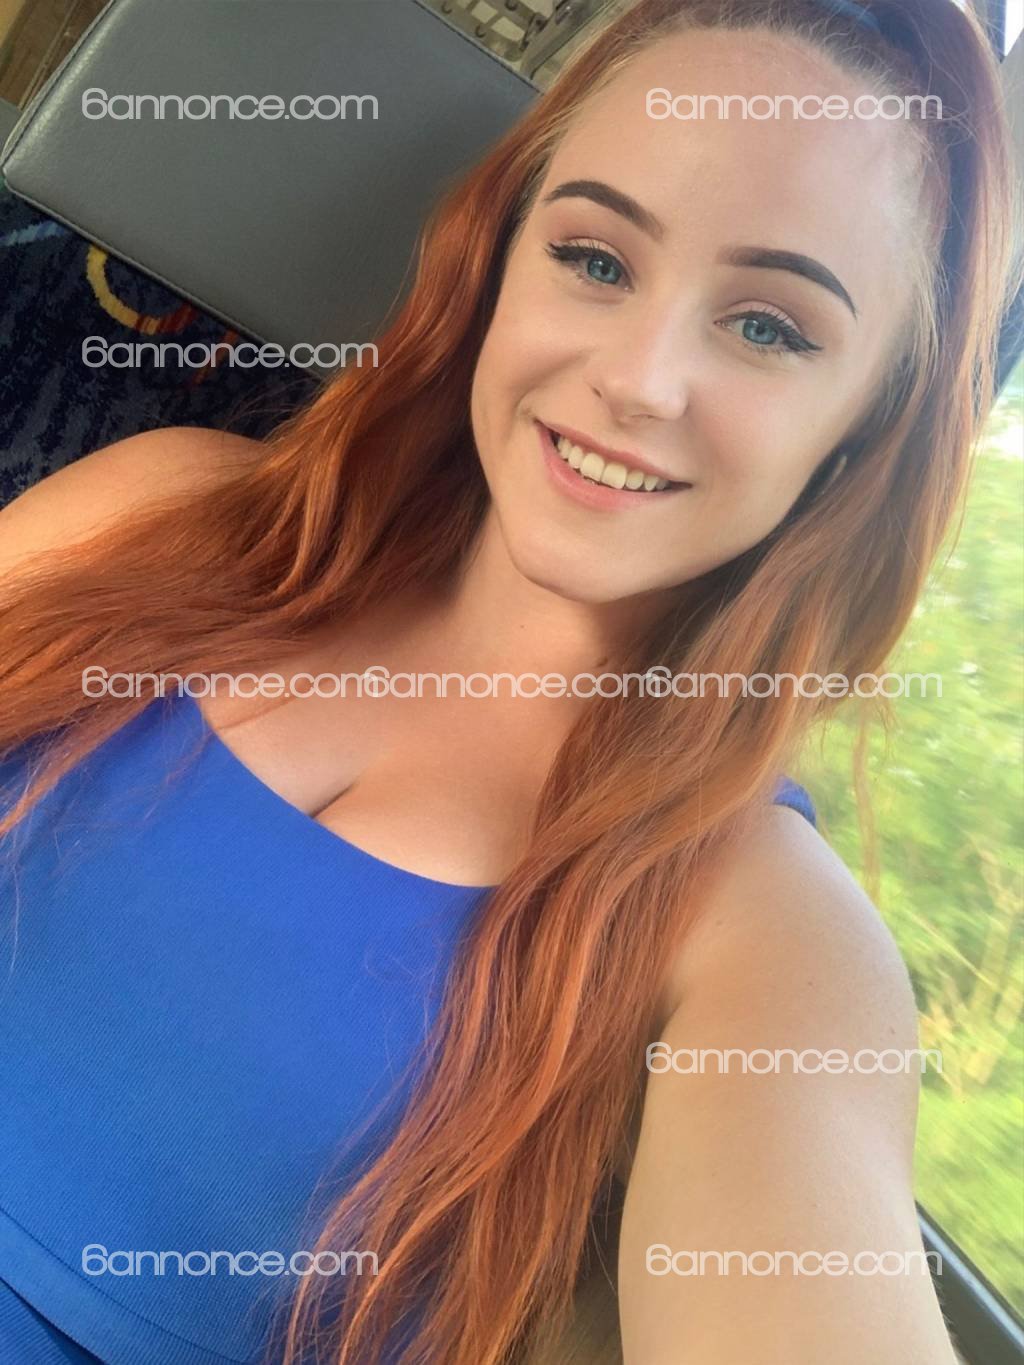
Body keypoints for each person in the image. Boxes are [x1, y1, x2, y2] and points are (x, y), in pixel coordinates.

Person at [0, 0, 1019, 1361]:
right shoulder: (160, 510)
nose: (638, 380)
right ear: (497, 261)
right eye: (594, 258)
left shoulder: (763, 939)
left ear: (868, 426)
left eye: (770, 328)